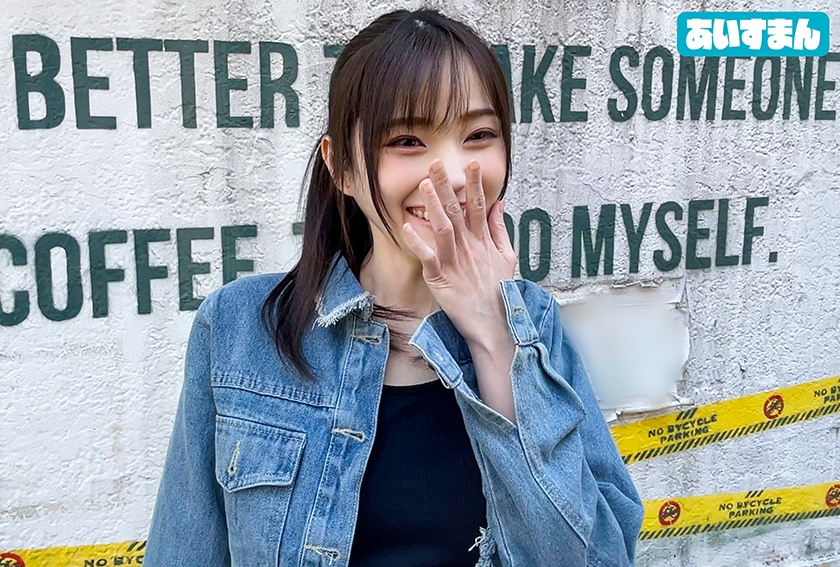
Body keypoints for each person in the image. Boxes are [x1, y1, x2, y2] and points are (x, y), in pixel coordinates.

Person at [144, 7, 644, 567]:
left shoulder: (536, 325)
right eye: (407, 140)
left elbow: (595, 558)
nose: (452, 174)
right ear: (342, 167)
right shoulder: (239, 328)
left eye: (479, 135)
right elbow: (182, 551)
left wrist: (494, 337)